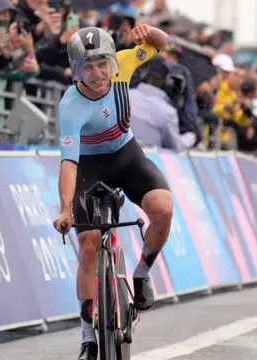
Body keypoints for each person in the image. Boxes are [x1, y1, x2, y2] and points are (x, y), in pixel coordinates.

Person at [52, 24, 172, 360]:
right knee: (88, 243)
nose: (97, 73)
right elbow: (69, 164)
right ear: (75, 70)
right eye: (87, 67)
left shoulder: (124, 63)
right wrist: (65, 209)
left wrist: (152, 32)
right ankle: (89, 337)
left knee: (163, 208)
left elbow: (163, 44)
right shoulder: (71, 105)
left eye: (102, 63)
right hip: (88, 166)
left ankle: (142, 273)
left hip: (126, 155)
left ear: (111, 61)